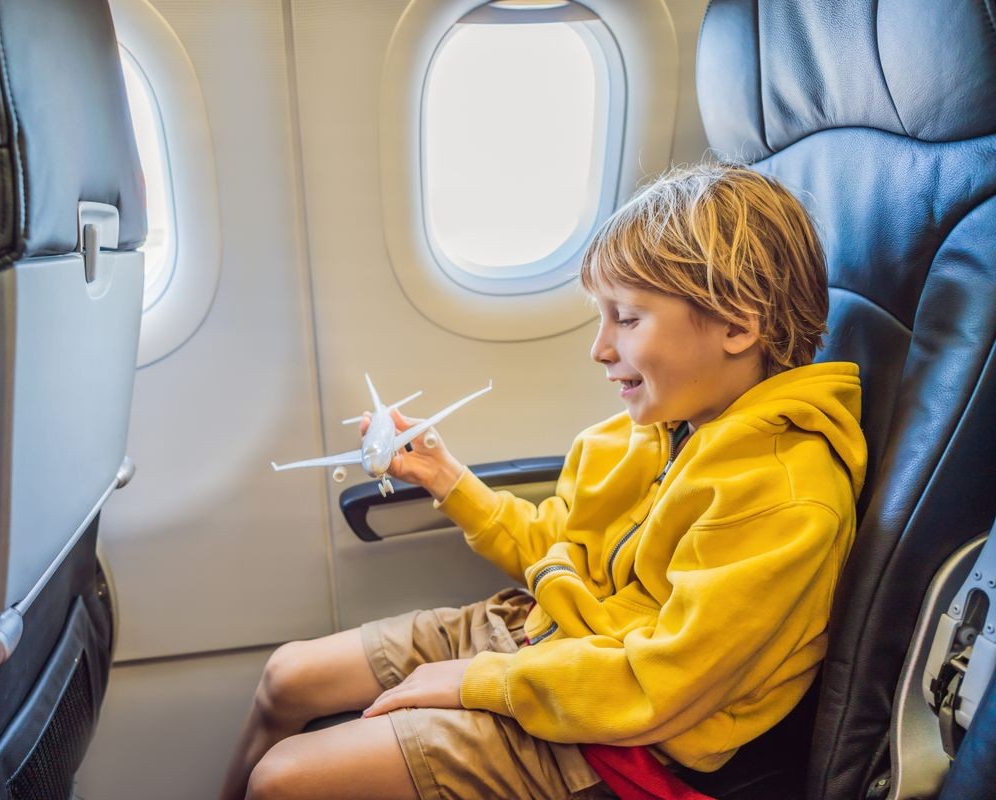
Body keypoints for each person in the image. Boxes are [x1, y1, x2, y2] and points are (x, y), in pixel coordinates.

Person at [218, 163, 867, 800]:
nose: (600, 348)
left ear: (737, 325)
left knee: (285, 780)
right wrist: (445, 476)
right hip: (542, 636)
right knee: (287, 676)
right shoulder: (649, 432)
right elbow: (557, 548)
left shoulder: (783, 496)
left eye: (628, 318)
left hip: (618, 740)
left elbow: (659, 683)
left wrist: (479, 682)